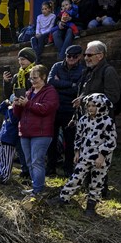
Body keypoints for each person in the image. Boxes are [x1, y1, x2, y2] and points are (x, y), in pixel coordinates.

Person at [52, 93, 116, 216]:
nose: (90, 108)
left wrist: (102, 156)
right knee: (76, 177)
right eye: (88, 106)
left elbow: (111, 141)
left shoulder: (107, 122)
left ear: (101, 106)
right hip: (85, 155)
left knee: (97, 181)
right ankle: (63, 198)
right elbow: (79, 137)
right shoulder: (83, 120)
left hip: (100, 159)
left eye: (94, 106)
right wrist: (77, 152)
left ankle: (91, 205)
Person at [12, 64, 60, 196]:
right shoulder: (28, 93)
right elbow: (17, 114)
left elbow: (46, 109)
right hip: (26, 132)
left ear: (44, 77)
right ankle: (36, 186)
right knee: (29, 162)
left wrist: (28, 103)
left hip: (41, 133)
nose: (32, 81)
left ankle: (38, 190)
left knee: (37, 161)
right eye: (31, 79)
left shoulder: (50, 92)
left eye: (35, 78)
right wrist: (17, 105)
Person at [46, 45, 85, 177]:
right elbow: (50, 82)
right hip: (55, 108)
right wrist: (70, 84)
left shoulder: (82, 69)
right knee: (51, 139)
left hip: (70, 109)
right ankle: (50, 166)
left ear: (79, 56)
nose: (71, 59)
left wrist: (61, 84)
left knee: (70, 141)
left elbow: (78, 90)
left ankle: (68, 167)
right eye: (69, 56)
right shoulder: (57, 66)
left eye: (74, 56)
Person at [3, 47, 36, 178]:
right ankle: (25, 169)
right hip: (18, 111)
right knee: (20, 142)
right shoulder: (17, 75)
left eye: (23, 59)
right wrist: (6, 83)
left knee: (30, 143)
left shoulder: (36, 73)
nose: (20, 62)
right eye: (19, 59)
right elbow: (7, 95)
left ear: (30, 59)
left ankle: (32, 170)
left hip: (31, 110)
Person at [0, 98, 20, 184]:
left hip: (10, 139)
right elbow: (0, 109)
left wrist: (12, 108)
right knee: (2, 159)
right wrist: (6, 102)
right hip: (2, 138)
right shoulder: (8, 110)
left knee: (7, 160)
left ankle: (5, 178)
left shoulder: (15, 112)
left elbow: (13, 120)